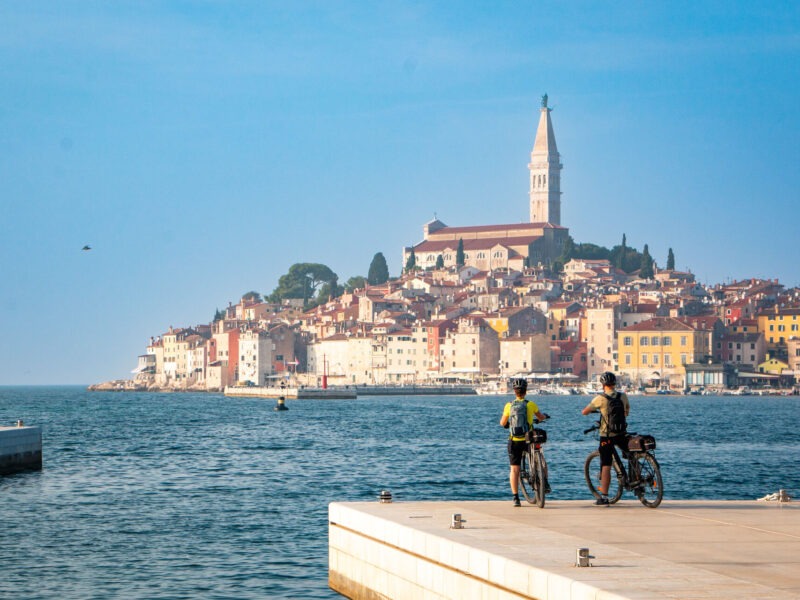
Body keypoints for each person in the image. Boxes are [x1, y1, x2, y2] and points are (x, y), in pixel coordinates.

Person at [581, 371, 630, 505]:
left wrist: (596, 410)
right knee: (631, 454)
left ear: (603, 385)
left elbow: (584, 412)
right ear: (614, 384)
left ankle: (604, 497)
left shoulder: (600, 398)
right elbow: (627, 412)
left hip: (607, 435)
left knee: (606, 465)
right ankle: (636, 480)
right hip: (621, 433)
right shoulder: (622, 396)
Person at [500, 378, 548, 507]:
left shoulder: (509, 405)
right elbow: (540, 417)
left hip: (514, 440)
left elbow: (502, 423)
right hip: (529, 439)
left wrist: (507, 425)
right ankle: (545, 483)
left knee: (514, 470)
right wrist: (544, 417)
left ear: (514, 391)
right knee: (541, 460)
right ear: (526, 391)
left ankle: (516, 498)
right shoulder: (530, 404)